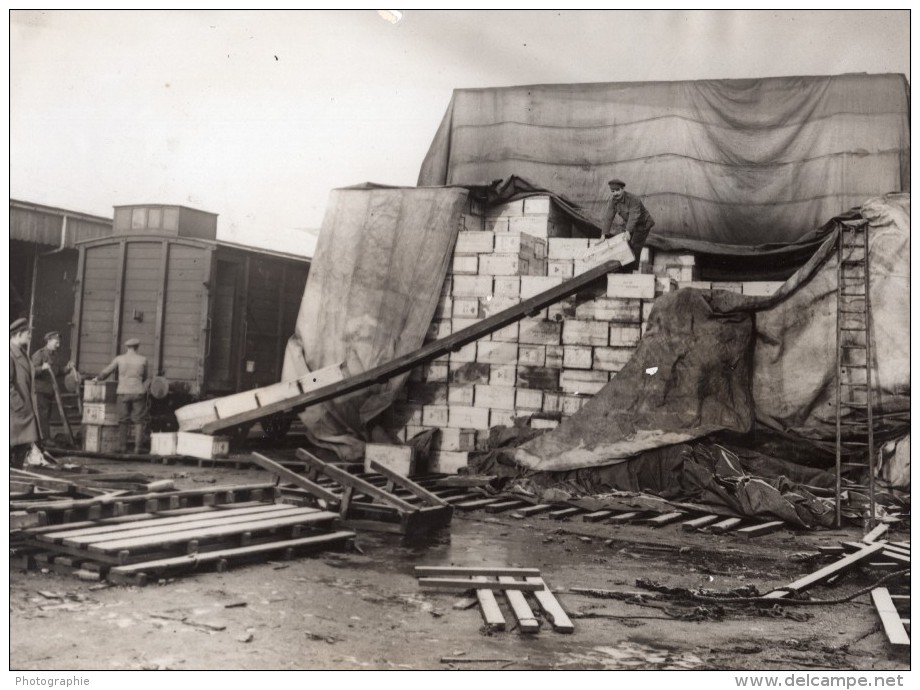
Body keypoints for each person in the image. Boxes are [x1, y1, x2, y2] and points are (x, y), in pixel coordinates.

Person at [94, 338, 149, 453]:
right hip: (138, 392)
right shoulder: (143, 360)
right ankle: (138, 448)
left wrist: (97, 378)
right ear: (137, 347)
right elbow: (145, 378)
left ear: (126, 347)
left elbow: (107, 371)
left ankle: (122, 447)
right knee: (139, 420)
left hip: (123, 392)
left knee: (123, 420)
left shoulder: (119, 359)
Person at [31, 331, 76, 445]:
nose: (58, 345)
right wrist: (42, 368)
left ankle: (44, 439)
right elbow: (31, 371)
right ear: (49, 341)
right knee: (42, 415)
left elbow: (58, 371)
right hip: (40, 390)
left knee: (47, 415)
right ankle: (44, 440)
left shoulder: (55, 355)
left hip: (50, 391)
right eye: (56, 342)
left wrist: (67, 368)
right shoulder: (39, 354)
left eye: (59, 342)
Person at [10, 318, 40, 469]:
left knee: (20, 451)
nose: (30, 336)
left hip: (22, 414)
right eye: (28, 333)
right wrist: (19, 405)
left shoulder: (22, 353)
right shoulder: (9, 354)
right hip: (14, 413)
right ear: (19, 334)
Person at [601, 178, 655, 259]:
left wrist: (628, 231)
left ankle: (633, 270)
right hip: (632, 225)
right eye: (612, 191)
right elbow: (609, 217)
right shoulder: (613, 201)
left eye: (617, 190)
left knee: (634, 245)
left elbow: (634, 216)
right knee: (626, 244)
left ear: (623, 189)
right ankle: (626, 267)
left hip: (644, 224)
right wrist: (603, 234)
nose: (615, 193)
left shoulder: (633, 199)